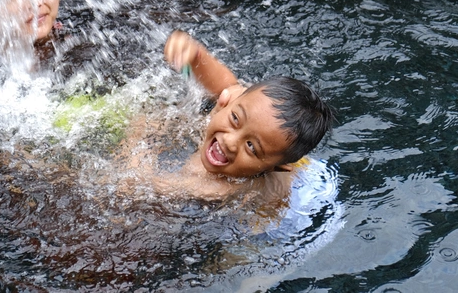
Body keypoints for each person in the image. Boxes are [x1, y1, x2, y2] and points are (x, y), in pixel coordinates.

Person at [136, 29, 336, 200]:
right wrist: (195, 55)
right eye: (235, 119)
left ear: (274, 168)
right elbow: (229, 86)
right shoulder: (246, 108)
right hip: (279, 148)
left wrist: (137, 138)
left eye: (251, 147)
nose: (230, 142)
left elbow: (139, 187)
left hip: (303, 198)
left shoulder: (218, 189)